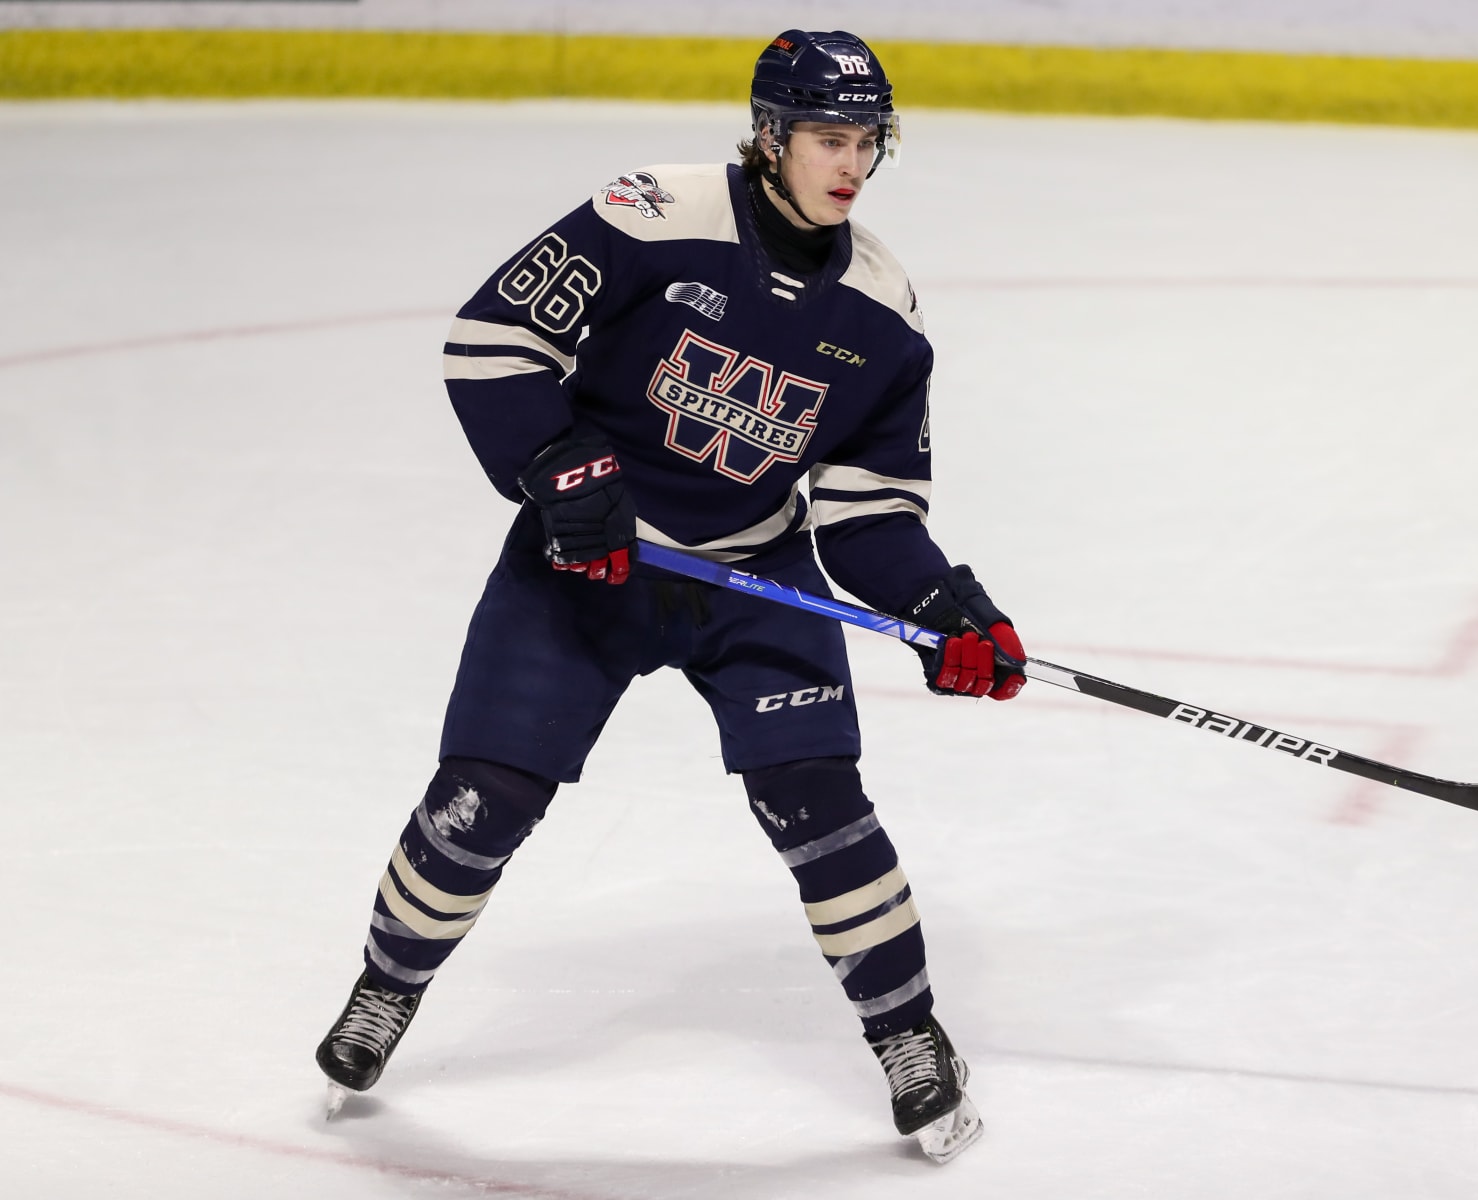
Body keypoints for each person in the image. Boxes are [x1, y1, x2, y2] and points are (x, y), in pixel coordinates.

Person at [313, 29, 1024, 1164]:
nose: (849, 165)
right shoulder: (654, 212)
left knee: (821, 809)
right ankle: (386, 986)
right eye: (828, 139)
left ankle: (909, 1035)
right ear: (769, 134)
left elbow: (868, 511)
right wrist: (558, 473)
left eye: (866, 143)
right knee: (483, 800)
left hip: (754, 575)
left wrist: (946, 609)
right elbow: (492, 341)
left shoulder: (883, 313)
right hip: (585, 565)